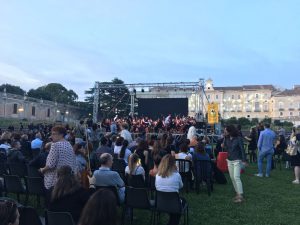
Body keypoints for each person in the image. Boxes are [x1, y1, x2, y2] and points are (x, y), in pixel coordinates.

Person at [39, 126, 78, 190]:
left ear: (61, 135)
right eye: (51, 134)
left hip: (54, 181)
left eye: (54, 134)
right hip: (67, 180)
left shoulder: (55, 145)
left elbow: (51, 165)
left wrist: (42, 170)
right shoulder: (69, 145)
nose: (51, 136)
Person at [155, 154, 183, 225]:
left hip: (160, 203)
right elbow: (181, 186)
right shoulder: (177, 175)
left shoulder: (157, 175)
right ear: (173, 163)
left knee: (174, 205)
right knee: (181, 203)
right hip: (173, 203)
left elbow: (157, 187)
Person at [223, 125, 247, 203]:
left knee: (236, 177)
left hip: (237, 160)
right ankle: (237, 193)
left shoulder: (238, 139)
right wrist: (223, 146)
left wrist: (244, 160)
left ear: (230, 131)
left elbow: (242, 150)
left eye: (226, 130)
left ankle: (240, 196)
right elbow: (228, 149)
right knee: (232, 177)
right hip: (229, 160)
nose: (225, 131)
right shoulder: (226, 139)